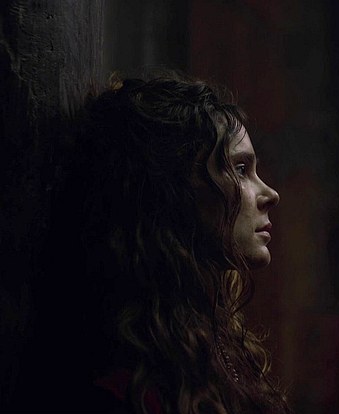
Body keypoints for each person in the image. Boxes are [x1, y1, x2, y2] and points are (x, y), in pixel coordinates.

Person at [46, 75, 289, 413]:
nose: (270, 194)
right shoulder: (127, 388)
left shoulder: (217, 344)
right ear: (175, 191)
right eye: (240, 169)